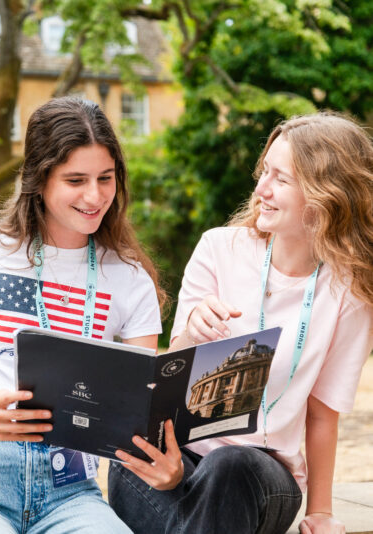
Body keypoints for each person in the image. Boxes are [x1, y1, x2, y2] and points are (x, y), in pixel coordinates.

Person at [108, 112, 373, 534]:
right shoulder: (218, 249)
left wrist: (320, 511)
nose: (261, 189)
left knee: (227, 467)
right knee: (130, 460)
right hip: (179, 459)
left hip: (259, 474)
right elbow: (169, 378)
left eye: (281, 179)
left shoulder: (348, 295)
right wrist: (193, 329)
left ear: (326, 195)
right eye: (264, 171)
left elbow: (323, 416)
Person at [0, 96, 166, 534]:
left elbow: (138, 406)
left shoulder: (129, 277)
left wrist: (165, 465)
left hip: (71, 487)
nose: (95, 195)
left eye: (106, 178)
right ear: (38, 178)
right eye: (75, 180)